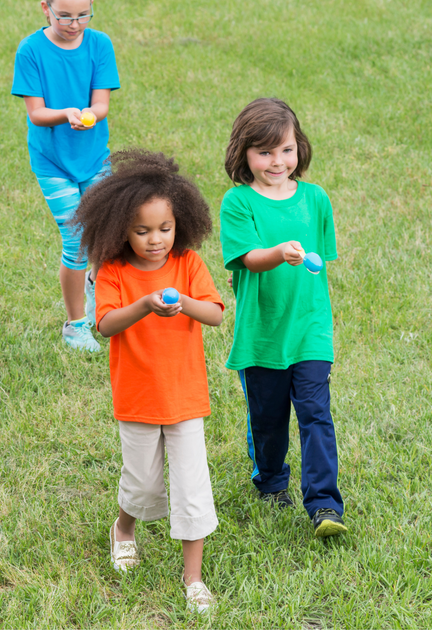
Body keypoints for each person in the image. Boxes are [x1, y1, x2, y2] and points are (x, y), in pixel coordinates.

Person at [72, 149, 224, 614]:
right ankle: (124, 527)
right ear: (120, 229)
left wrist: (181, 305)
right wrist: (145, 305)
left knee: (192, 486)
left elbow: (215, 314)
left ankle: (193, 579)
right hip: (138, 396)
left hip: (184, 396)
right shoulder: (114, 271)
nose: (155, 240)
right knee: (142, 483)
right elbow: (105, 325)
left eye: (165, 229)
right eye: (141, 231)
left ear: (181, 223)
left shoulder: (189, 264)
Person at [219, 97, 347, 538]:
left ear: (300, 148)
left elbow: (321, 264)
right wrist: (279, 253)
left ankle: (325, 506)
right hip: (263, 335)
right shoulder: (238, 203)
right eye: (265, 152)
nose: (278, 161)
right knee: (269, 420)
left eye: (287, 149)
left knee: (315, 413)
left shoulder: (316, 199)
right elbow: (249, 259)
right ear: (244, 154)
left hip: (310, 329)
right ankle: (271, 482)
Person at [12, 0, 120, 352]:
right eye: (64, 16)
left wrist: (88, 115)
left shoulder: (99, 44)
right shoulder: (31, 51)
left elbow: (102, 104)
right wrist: (67, 114)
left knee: (106, 235)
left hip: (94, 159)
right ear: (45, 8)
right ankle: (75, 325)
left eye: (82, 15)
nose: (74, 23)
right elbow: (37, 114)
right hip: (53, 161)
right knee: (76, 237)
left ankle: (97, 289)